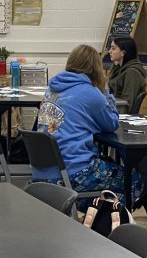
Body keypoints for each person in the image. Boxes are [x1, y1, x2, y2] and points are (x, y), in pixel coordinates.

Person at [32, 44, 134, 203]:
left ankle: (95, 213)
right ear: (96, 68)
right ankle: (108, 219)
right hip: (75, 172)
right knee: (133, 179)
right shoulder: (90, 93)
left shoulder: (51, 89)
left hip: (43, 172)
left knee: (108, 170)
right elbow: (112, 122)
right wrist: (105, 91)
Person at [106, 35, 147, 111]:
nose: (109, 51)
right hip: (112, 110)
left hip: (118, 114)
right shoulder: (118, 68)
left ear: (123, 52)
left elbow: (127, 103)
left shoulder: (132, 73)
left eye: (113, 48)